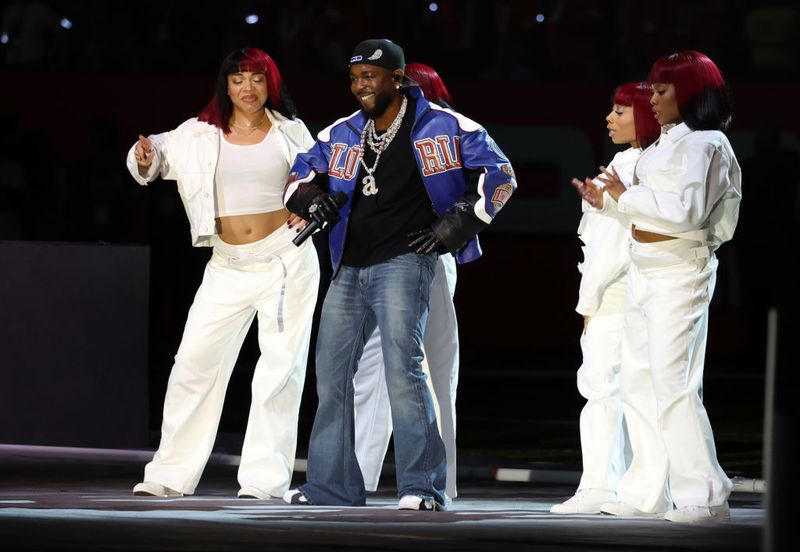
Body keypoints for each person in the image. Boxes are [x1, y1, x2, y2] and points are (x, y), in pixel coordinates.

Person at [282, 39, 516, 510]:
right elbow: (295, 176)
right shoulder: (343, 132)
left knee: (403, 373)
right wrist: (312, 200)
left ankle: (421, 487)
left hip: (405, 262)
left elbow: (502, 174)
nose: (360, 86)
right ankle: (333, 485)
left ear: (398, 77)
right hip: (349, 265)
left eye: (370, 75)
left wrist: (455, 225)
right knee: (330, 376)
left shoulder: (444, 125)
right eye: (354, 78)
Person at [124, 48, 319, 499]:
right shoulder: (198, 133)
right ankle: (169, 476)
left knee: (278, 370)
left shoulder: (290, 131)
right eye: (238, 80)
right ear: (224, 85)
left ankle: (264, 481)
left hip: (284, 259)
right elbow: (153, 159)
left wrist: (309, 208)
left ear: (271, 84)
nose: (247, 89)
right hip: (227, 264)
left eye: (256, 79)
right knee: (193, 363)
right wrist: (144, 154)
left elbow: (323, 177)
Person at [577, 51, 742, 522]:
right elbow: (643, 212)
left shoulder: (707, 143)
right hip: (644, 268)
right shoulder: (660, 146)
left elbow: (687, 212)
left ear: (688, 93)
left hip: (679, 271)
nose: (652, 98)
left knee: (673, 386)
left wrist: (628, 197)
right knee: (639, 383)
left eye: (662, 90)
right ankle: (646, 491)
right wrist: (609, 205)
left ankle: (706, 497)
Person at [352, 62, 461, 501]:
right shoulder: (371, 133)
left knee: (431, 372)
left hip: (427, 261)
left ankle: (440, 482)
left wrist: (445, 231)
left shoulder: (445, 135)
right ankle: (355, 476)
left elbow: (479, 189)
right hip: (378, 261)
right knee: (369, 372)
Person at [551, 82, 661, 514]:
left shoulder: (637, 164)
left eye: (620, 111)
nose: (609, 119)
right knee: (622, 389)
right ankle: (621, 486)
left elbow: (613, 246)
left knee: (605, 387)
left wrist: (589, 302)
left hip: (619, 291)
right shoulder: (626, 161)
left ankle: (603, 487)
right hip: (619, 289)